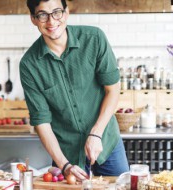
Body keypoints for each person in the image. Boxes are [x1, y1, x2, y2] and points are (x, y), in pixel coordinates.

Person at [19, 0, 129, 180]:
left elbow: (113, 90)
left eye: (56, 12)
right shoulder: (29, 65)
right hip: (66, 154)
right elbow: (41, 122)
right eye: (42, 15)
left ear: (66, 12)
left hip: (106, 142)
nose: (51, 21)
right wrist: (64, 164)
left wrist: (96, 133)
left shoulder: (94, 38)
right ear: (33, 19)